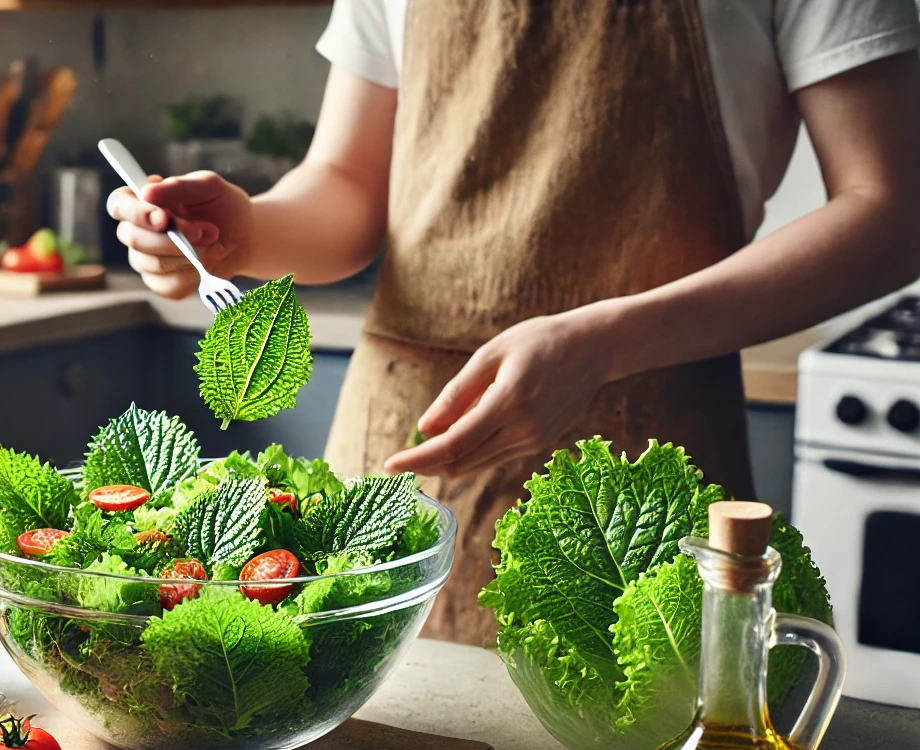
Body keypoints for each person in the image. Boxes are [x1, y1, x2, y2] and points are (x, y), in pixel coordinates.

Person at [108, 0, 920, 645]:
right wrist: (244, 232)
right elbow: (349, 187)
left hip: (641, 457)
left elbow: (891, 210)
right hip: (400, 455)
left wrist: (606, 342)